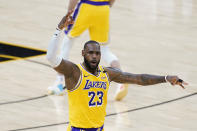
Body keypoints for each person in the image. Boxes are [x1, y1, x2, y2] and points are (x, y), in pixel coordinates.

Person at [46, 15, 188, 131]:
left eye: (97, 53)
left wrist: (165, 78)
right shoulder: (74, 72)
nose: (94, 56)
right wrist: (59, 29)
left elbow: (139, 79)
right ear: (83, 53)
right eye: (90, 53)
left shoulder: (107, 73)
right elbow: (51, 58)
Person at [47, 0, 129, 101]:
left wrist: (69, 12)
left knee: (67, 43)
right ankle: (122, 81)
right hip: (103, 9)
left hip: (86, 7)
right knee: (104, 50)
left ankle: (60, 83)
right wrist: (105, 7)